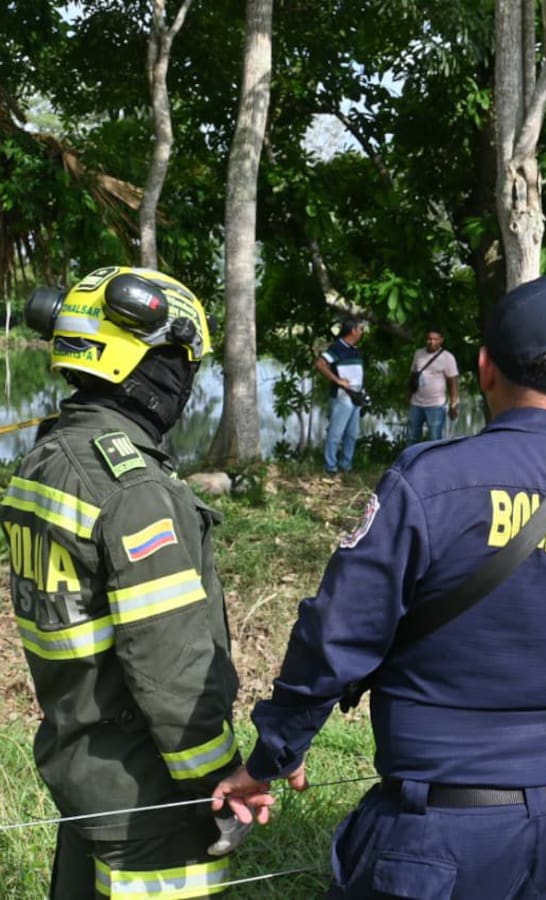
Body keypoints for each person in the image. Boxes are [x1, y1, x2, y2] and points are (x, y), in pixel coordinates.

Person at [212, 276, 546, 899]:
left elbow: (335, 636)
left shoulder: (429, 484)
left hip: (439, 838)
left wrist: (272, 755)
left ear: (485, 368)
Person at [2, 266, 247, 898]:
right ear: (148, 362)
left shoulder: (47, 459)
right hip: (150, 797)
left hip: (84, 774)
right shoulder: (135, 492)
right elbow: (171, 667)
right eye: (181, 361)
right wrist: (219, 778)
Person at [315, 317, 367, 474]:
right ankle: (330, 466)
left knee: (352, 434)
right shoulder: (337, 347)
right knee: (336, 433)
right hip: (342, 396)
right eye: (360, 329)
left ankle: (346, 464)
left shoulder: (355, 349)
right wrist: (337, 380)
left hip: (356, 396)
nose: (362, 332)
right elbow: (320, 364)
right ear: (353, 331)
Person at [406, 327, 460, 443]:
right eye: (429, 339)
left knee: (435, 439)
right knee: (411, 437)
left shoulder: (448, 357)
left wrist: (453, 404)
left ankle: (434, 461)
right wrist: (408, 395)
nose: (432, 342)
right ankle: (411, 461)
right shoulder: (418, 354)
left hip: (436, 405)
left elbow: (453, 382)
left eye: (435, 339)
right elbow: (412, 375)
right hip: (416, 403)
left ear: (441, 340)